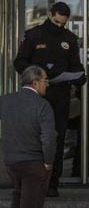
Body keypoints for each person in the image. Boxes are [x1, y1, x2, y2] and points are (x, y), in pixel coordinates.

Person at [14, 2, 86, 197]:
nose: (59, 26)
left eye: (63, 23)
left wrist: (79, 77)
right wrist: (37, 75)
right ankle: (28, 183)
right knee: (32, 138)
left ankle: (52, 183)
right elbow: (19, 62)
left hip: (60, 96)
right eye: (56, 21)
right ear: (50, 15)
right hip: (36, 95)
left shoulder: (69, 38)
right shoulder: (34, 35)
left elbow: (75, 66)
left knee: (56, 139)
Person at [0, 66, 56, 208]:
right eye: (45, 80)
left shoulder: (5, 101)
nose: (47, 84)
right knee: (31, 202)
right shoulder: (43, 105)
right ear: (35, 83)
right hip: (34, 163)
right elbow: (48, 137)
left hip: (11, 162)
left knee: (18, 197)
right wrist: (48, 162)